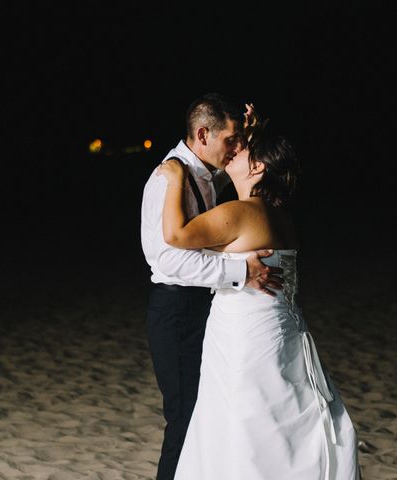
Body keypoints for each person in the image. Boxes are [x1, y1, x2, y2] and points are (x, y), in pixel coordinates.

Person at [157, 129, 361, 479]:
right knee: (275, 426)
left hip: (246, 340)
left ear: (259, 167)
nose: (233, 152)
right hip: (284, 334)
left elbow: (176, 235)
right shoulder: (279, 214)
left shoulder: (241, 213)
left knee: (245, 427)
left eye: (242, 149)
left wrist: (175, 176)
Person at [140, 93, 282, 480]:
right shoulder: (168, 177)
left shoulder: (201, 169)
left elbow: (235, 173)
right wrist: (241, 271)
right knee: (184, 420)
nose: (237, 149)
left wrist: (252, 134)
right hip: (176, 312)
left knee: (207, 418)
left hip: (200, 308)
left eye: (240, 141)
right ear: (203, 134)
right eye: (230, 141)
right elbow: (167, 259)